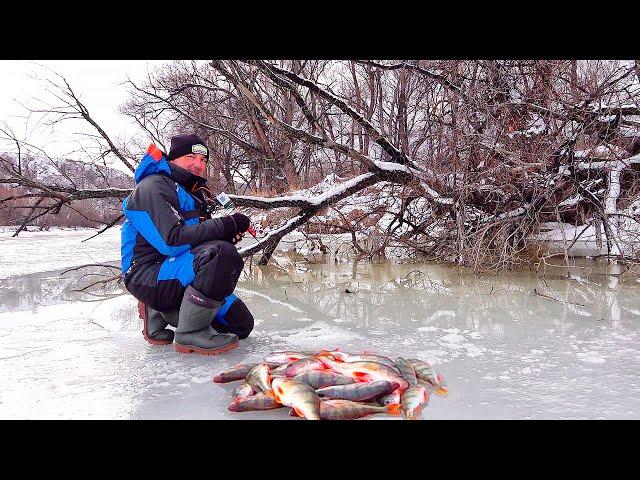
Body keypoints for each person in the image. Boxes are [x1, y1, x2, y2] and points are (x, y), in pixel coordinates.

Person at [120, 133, 254, 355]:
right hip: (147, 275)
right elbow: (171, 241)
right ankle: (189, 333)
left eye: (203, 160)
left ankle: (164, 310)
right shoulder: (152, 187)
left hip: (178, 269)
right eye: (191, 157)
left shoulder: (193, 193)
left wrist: (226, 235)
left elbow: (198, 240)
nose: (198, 165)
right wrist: (225, 225)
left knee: (241, 325)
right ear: (174, 158)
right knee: (220, 255)